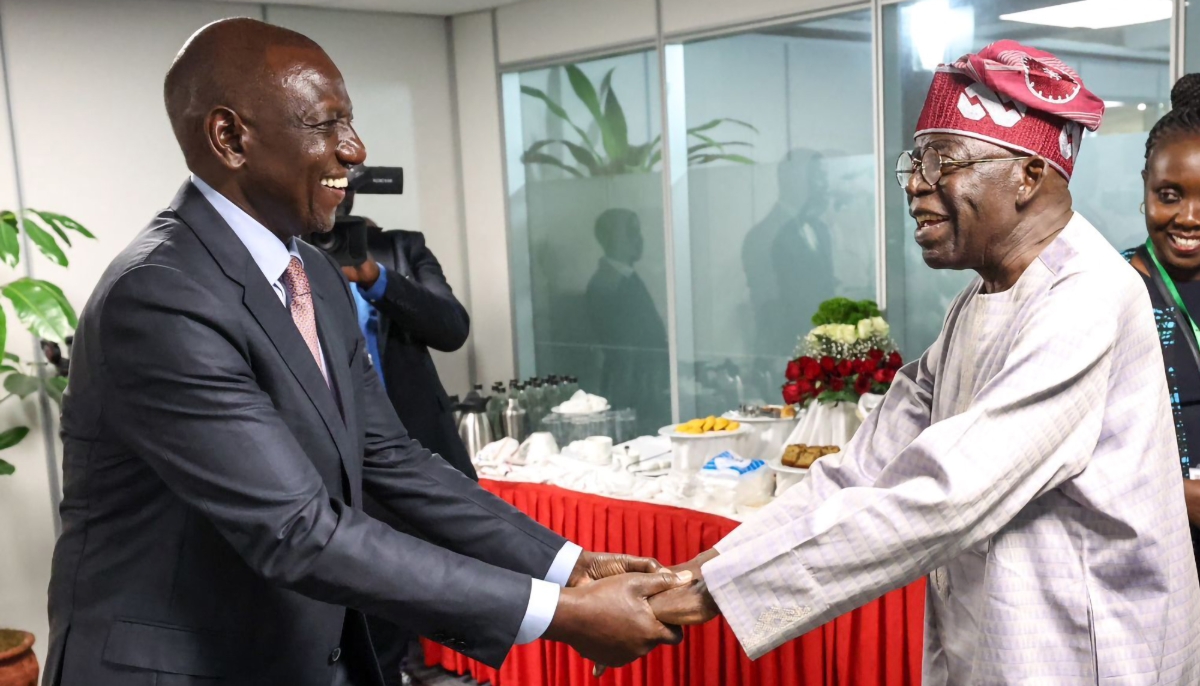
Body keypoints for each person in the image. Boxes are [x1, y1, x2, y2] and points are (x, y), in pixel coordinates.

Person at [43, 18, 689, 686]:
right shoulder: (160, 295)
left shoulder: (313, 275)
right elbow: (297, 529)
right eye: (327, 124)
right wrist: (560, 614)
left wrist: (567, 564)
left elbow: (390, 459)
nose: (355, 149)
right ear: (230, 137)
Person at [648, 41, 1200, 683]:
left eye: (944, 161)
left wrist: (714, 594)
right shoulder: (979, 299)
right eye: (916, 160)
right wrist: (697, 569)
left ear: (1027, 174)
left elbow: (948, 492)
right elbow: (861, 472)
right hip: (998, 633)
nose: (915, 182)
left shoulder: (1088, 295)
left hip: (1089, 649)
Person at [339, 213, 477, 685]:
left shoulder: (400, 248)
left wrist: (373, 275)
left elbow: (451, 328)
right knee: (369, 625)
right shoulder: (282, 259)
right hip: (341, 469)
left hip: (417, 455)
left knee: (433, 596)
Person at [1123, 72, 1200, 580]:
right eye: (1169, 195)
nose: (1189, 217)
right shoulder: (1111, 293)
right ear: (1146, 192)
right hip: (1154, 556)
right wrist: (1177, 495)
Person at [585, 208, 670, 433]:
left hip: (642, 384)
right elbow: (622, 347)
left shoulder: (625, 278)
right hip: (631, 390)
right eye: (631, 232)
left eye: (638, 231)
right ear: (611, 239)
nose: (638, 239)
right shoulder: (606, 285)